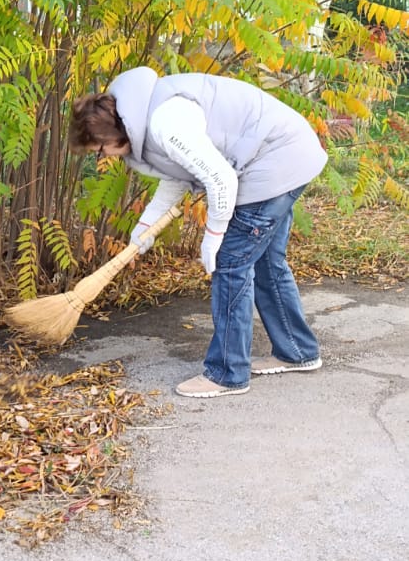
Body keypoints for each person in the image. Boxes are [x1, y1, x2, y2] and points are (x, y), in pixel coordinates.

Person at [70, 65, 327, 398]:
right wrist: (145, 227)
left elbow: (221, 180)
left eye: (101, 149)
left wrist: (214, 237)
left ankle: (227, 373)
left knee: (231, 264)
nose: (104, 156)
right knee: (266, 262)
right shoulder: (148, 114)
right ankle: (297, 351)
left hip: (274, 163)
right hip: (289, 155)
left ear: (112, 132)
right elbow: (179, 173)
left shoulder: (166, 122)